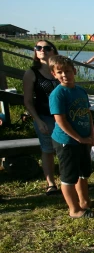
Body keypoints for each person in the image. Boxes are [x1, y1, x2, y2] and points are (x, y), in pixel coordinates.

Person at [48, 55, 94, 219]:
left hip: (83, 139)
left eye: (67, 71)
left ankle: (84, 202)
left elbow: (87, 113)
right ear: (54, 74)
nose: (64, 75)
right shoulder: (58, 94)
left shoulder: (80, 91)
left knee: (83, 173)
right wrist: (78, 138)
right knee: (69, 176)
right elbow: (60, 120)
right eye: (59, 72)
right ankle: (74, 210)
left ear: (74, 71)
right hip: (66, 141)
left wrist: (91, 134)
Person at [22, 40, 61, 195]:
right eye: (38, 47)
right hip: (44, 116)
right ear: (35, 52)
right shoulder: (31, 73)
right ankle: (51, 184)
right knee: (47, 149)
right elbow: (28, 100)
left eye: (46, 48)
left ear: (53, 51)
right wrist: (37, 120)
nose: (42, 50)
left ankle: (70, 180)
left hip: (62, 115)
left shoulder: (59, 70)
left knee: (65, 148)